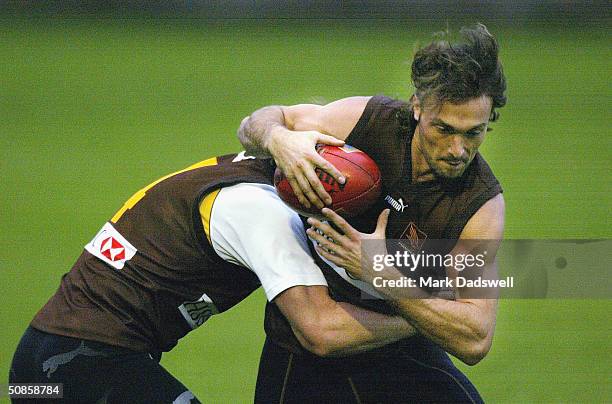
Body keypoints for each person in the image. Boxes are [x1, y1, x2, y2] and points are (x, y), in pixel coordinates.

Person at [9, 153, 418, 403]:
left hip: (42, 369)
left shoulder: (253, 169)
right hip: (71, 371)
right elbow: (321, 330)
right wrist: (422, 318)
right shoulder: (266, 216)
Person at [238, 24, 506, 402]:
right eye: (444, 129)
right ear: (417, 107)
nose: (459, 149)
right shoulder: (371, 122)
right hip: (303, 352)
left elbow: (476, 337)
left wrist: (380, 273)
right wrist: (278, 140)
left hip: (400, 354)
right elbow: (257, 122)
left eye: (474, 133)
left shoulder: (479, 206)